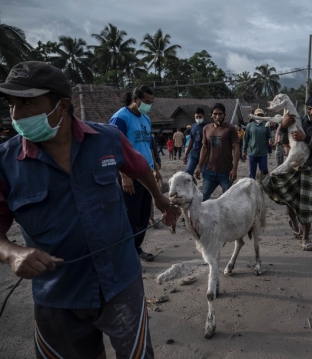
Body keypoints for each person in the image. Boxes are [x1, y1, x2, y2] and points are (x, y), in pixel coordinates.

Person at [0, 61, 176, 358]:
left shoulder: (107, 139)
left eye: (27, 103)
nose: (16, 115)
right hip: (58, 295)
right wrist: (12, 252)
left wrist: (159, 198)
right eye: (11, 104)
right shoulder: (5, 163)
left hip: (121, 282)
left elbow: (140, 167)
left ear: (62, 106)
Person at [262, 92, 312, 251]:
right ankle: (294, 223)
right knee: (285, 196)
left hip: (311, 168)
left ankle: (305, 238)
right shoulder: (299, 119)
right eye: (309, 109)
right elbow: (284, 141)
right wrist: (282, 126)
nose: (311, 112)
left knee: (306, 204)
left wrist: (306, 138)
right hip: (294, 166)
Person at [110, 85, 162, 262]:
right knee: (129, 216)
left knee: (143, 215)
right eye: (146, 102)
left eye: (151, 102)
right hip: (129, 175)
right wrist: (124, 176)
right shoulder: (120, 118)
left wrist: (155, 170)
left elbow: (147, 145)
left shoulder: (146, 119)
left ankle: (136, 248)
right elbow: (115, 148)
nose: (149, 105)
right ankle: (125, 254)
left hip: (146, 173)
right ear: (135, 99)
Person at [194, 103, 240, 201]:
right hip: (209, 171)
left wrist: (235, 168)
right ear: (211, 115)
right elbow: (204, 147)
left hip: (226, 172)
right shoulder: (206, 128)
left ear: (224, 115)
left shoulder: (230, 129)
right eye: (215, 114)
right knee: (202, 199)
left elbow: (236, 148)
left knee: (229, 200)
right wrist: (199, 166)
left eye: (220, 114)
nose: (218, 117)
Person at [242, 108, 272, 179]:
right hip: (252, 153)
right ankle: (252, 187)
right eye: (258, 115)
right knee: (252, 172)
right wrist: (244, 151)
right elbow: (246, 139)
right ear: (254, 116)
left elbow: (269, 136)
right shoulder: (249, 126)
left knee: (264, 171)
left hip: (263, 153)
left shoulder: (266, 125)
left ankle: (265, 187)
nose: (259, 116)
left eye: (261, 115)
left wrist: (270, 140)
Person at [183, 108, 207, 176]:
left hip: (204, 155)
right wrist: (186, 154)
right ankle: (192, 184)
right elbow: (191, 141)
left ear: (203, 116)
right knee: (188, 172)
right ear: (194, 116)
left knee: (205, 174)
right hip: (193, 154)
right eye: (197, 117)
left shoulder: (207, 127)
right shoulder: (193, 126)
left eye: (200, 117)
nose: (198, 118)